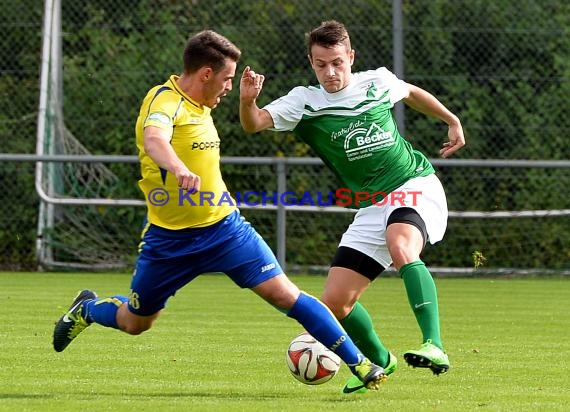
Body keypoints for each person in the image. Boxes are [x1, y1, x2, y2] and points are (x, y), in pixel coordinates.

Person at [52, 29, 387, 390]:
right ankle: (86, 310)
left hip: (225, 230)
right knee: (136, 323)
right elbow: (154, 139)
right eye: (227, 78)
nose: (229, 87)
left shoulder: (204, 106)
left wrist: (248, 101)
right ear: (206, 74)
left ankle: (361, 364)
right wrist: (179, 168)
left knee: (285, 294)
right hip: (169, 241)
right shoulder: (164, 101)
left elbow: (244, 125)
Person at [239, 20, 465, 394]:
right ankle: (381, 359)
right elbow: (255, 124)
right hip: (370, 206)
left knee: (402, 246)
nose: (330, 72)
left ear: (351, 57)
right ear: (311, 63)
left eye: (337, 62)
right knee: (335, 305)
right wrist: (248, 101)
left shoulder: (375, 81)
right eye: (321, 63)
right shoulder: (304, 102)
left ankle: (435, 345)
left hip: (413, 185)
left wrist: (451, 120)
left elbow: (409, 92)